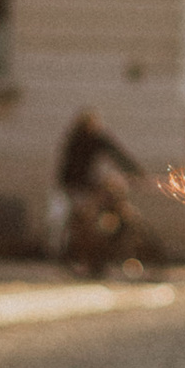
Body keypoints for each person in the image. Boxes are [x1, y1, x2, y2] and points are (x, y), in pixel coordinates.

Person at [58, 104, 142, 274]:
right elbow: (69, 172)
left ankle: (110, 244)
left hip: (89, 183)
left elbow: (117, 153)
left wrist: (136, 173)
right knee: (89, 220)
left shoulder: (96, 138)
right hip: (77, 186)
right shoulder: (77, 141)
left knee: (114, 202)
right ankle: (90, 257)